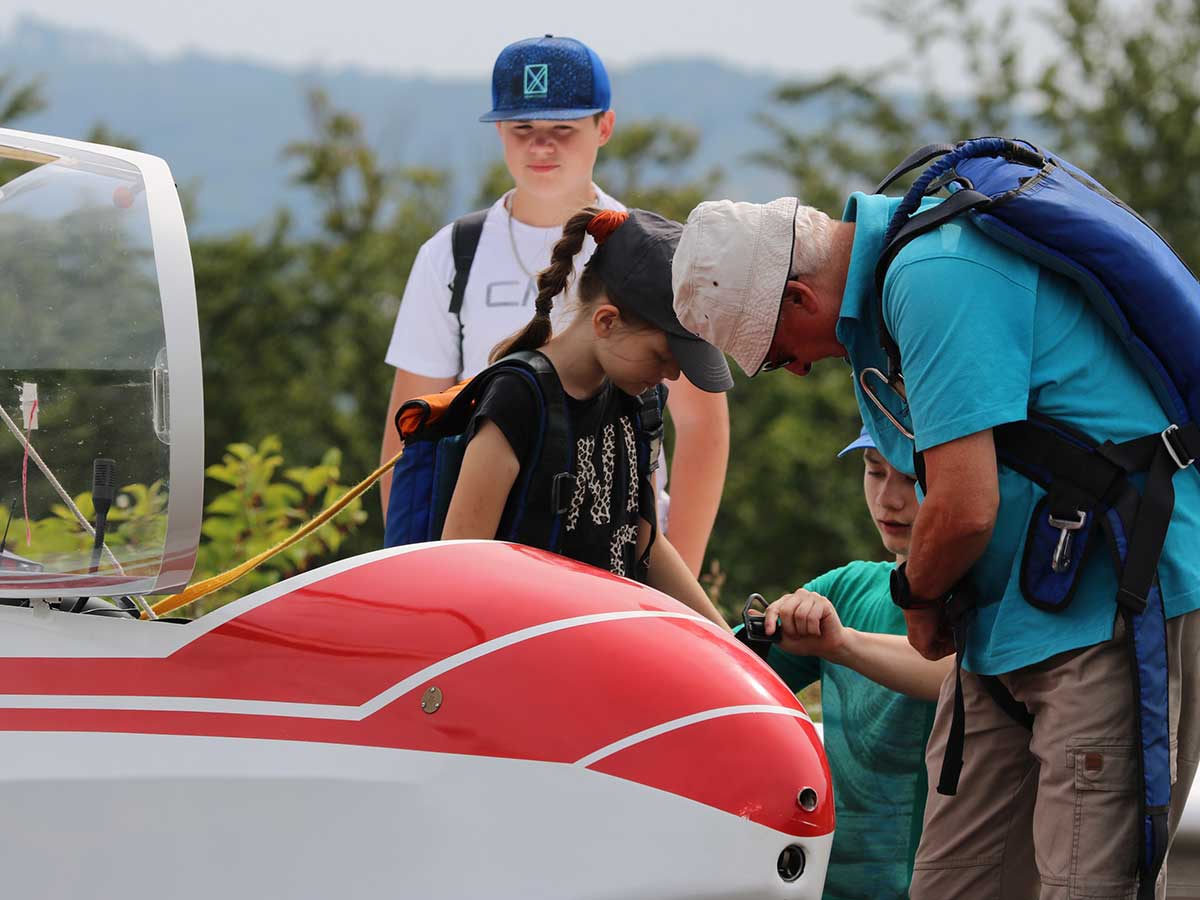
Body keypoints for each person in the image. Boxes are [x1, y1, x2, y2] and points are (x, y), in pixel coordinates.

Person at [671, 194, 1200, 898]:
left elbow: (963, 509)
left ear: (798, 296)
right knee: (952, 884)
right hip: (1004, 622)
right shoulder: (881, 313)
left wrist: (914, 599)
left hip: (1111, 604)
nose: (797, 370)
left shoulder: (931, 277)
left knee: (1087, 881)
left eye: (776, 356)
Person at [380, 34, 729, 577]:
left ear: (604, 127)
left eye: (562, 130)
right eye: (523, 130)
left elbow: (702, 425)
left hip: (614, 549)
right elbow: (410, 427)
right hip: (485, 552)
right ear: (499, 132)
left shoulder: (646, 251)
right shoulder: (451, 252)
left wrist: (673, 581)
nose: (541, 147)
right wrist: (406, 565)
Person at [442, 204, 731, 631]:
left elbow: (644, 543)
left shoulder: (640, 405)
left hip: (602, 651)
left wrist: (727, 642)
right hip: (519, 653)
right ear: (606, 321)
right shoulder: (518, 398)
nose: (671, 374)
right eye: (663, 356)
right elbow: (457, 562)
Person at [756, 426, 951, 899]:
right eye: (873, 471)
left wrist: (841, 644)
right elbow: (725, 677)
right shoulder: (847, 588)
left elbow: (958, 673)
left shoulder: (996, 600)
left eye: (909, 477)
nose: (888, 499)